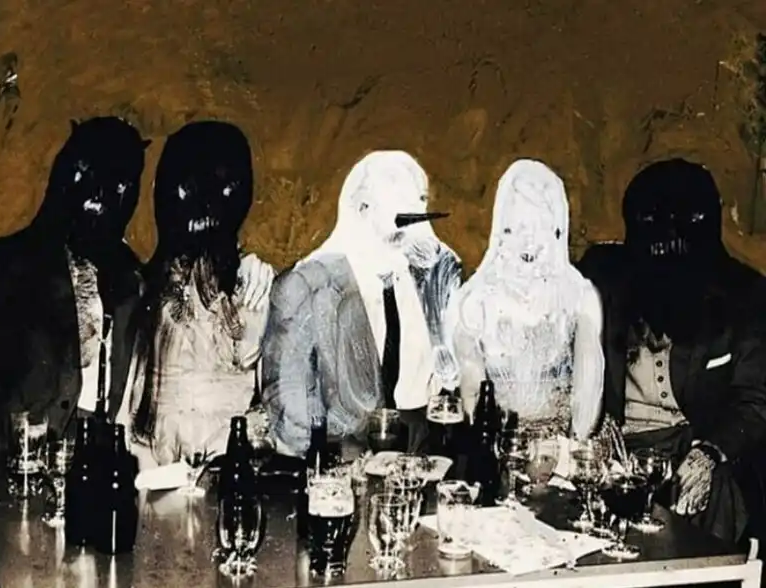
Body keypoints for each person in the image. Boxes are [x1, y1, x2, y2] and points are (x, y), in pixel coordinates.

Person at [577, 158, 766, 544]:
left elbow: (754, 399)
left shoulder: (745, 295)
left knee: (714, 491)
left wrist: (710, 453)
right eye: (653, 224)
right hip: (617, 445)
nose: (668, 243)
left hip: (692, 442)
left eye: (686, 223)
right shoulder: (602, 279)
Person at [0, 117, 150, 472]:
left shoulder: (132, 279)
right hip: (8, 472)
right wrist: (9, 464)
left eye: (125, 184)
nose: (106, 195)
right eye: (89, 174)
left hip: (94, 471)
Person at [261, 150, 461, 457]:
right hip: (342, 466)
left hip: (422, 464)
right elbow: (290, 417)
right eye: (399, 225)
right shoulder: (307, 287)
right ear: (362, 209)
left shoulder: (434, 276)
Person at [123, 121, 274, 467]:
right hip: (155, 465)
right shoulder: (145, 287)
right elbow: (129, 398)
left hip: (227, 462)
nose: (205, 204)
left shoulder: (254, 286)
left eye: (224, 186)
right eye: (188, 186)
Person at [446, 158, 604, 439]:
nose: (528, 241)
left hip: (562, 447)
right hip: (495, 443)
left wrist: (570, 452)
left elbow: (588, 392)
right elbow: (472, 393)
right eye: (516, 228)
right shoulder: (473, 302)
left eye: (540, 226)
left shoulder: (579, 296)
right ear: (501, 232)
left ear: (557, 230)